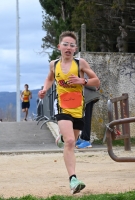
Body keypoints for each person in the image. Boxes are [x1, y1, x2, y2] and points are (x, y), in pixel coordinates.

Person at [38, 31, 100, 194]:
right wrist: (44, 89)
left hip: (79, 108)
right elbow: (50, 78)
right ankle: (73, 179)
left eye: (72, 45)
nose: (68, 47)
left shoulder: (81, 63)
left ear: (75, 49)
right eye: (65, 44)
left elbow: (96, 81)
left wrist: (83, 81)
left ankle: (62, 137)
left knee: (71, 140)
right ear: (59, 47)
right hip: (62, 106)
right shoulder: (54, 64)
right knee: (71, 142)